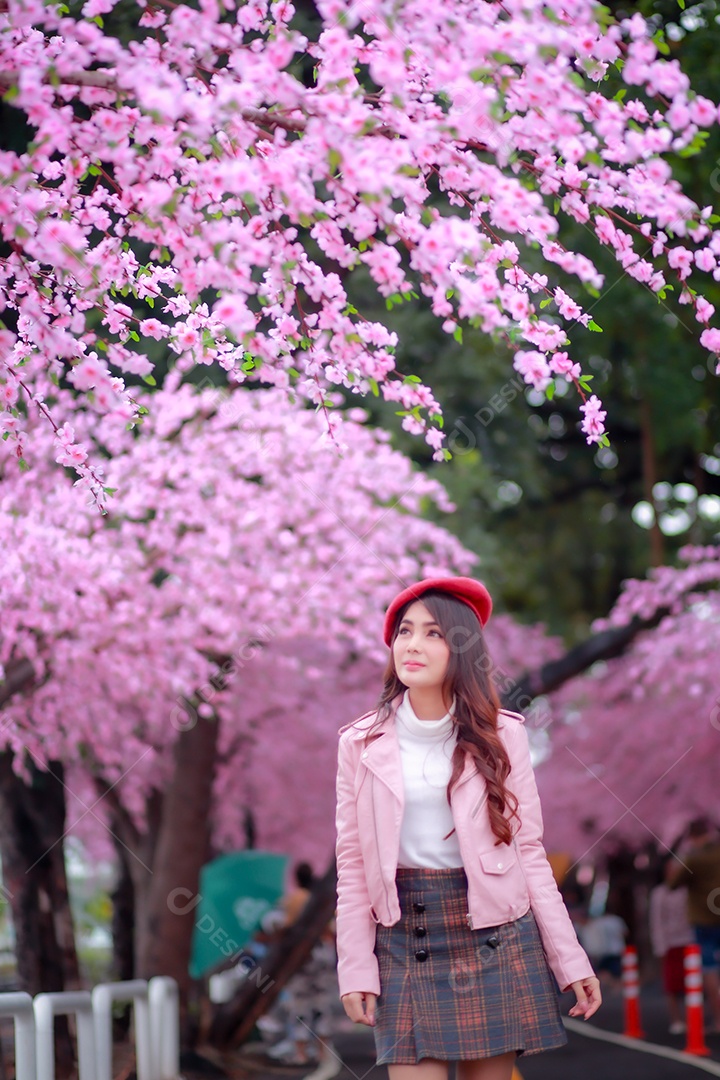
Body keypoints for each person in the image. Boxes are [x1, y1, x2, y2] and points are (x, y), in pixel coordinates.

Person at [335, 577, 601, 1080]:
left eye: (433, 633)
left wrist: (571, 961)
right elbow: (352, 864)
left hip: (493, 931)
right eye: (404, 632)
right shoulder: (358, 743)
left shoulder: (504, 735)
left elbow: (528, 853)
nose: (412, 644)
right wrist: (355, 968)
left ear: (460, 648)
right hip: (402, 934)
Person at [668, 817, 720, 1032]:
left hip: (702, 920)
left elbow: (672, 884)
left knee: (709, 969)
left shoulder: (693, 859)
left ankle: (719, 1019)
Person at [649, 857, 694, 1034]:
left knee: (693, 983)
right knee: (671, 984)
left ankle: (694, 1018)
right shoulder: (659, 893)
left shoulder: (688, 890)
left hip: (690, 940)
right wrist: (660, 946)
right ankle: (676, 1019)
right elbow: (656, 922)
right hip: (670, 943)